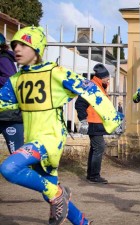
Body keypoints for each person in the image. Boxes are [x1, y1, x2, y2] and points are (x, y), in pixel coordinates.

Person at [0, 26, 122, 225]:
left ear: (37, 48)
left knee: (9, 168)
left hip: (50, 139)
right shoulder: (15, 80)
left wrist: (112, 119)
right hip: (33, 140)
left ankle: (58, 194)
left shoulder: (55, 72)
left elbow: (90, 90)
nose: (17, 49)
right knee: (48, 189)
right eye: (15, 45)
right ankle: (82, 222)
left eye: (24, 44)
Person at [76, 63, 115, 184]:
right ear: (101, 77)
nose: (109, 79)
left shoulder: (100, 86)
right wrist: (83, 120)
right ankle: (94, 176)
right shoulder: (91, 87)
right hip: (92, 122)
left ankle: (91, 175)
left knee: (95, 148)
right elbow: (79, 104)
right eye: (107, 77)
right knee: (99, 147)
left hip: (97, 122)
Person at [0, 32, 24, 154]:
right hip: (4, 112)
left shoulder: (3, 59)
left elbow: (10, 78)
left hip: (9, 114)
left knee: (16, 154)